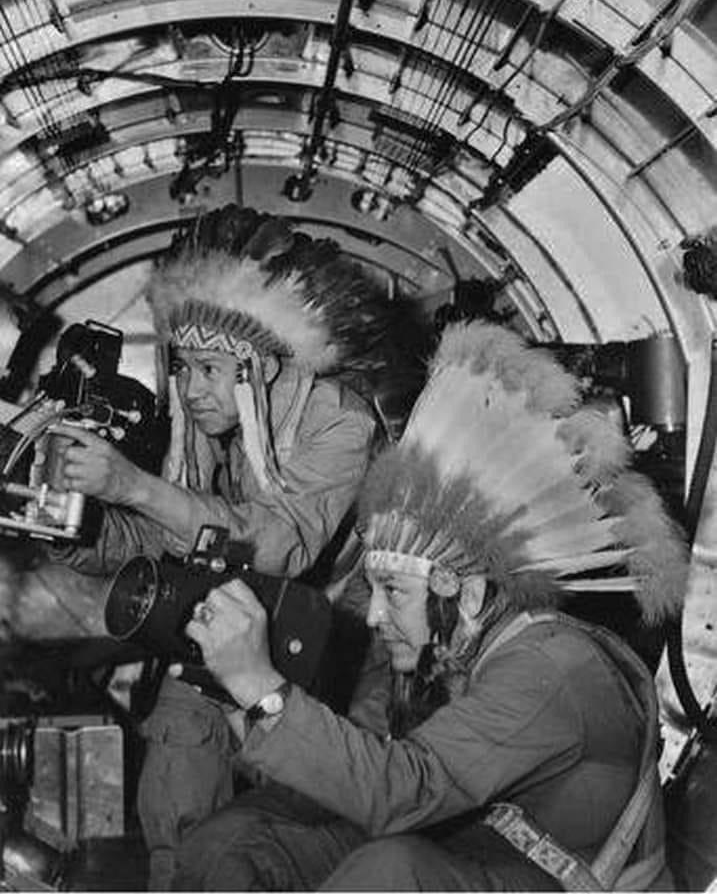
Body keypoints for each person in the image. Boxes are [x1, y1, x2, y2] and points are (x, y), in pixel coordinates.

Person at [172, 319, 689, 892]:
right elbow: (372, 760)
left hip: (556, 877)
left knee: (389, 873)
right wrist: (246, 715)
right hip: (473, 843)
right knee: (233, 846)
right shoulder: (452, 649)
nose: (374, 615)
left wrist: (262, 691)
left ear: (465, 591)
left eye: (395, 593)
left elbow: (401, 792)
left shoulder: (547, 666)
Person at [50, 204, 421, 889]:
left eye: (209, 370)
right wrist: (73, 519)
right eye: (181, 368)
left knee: (309, 837)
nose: (190, 391)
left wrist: (132, 485)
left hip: (343, 653)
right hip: (232, 625)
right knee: (174, 780)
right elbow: (171, 535)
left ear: (260, 369)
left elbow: (278, 543)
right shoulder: (205, 436)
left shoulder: (338, 420)